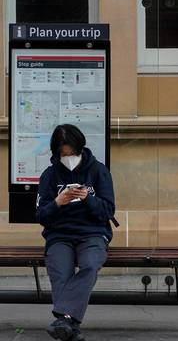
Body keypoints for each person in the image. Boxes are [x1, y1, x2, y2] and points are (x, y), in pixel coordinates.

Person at [36, 124, 115, 341]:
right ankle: (70, 327)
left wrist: (87, 198)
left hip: (92, 233)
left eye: (72, 153)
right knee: (60, 271)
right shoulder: (50, 175)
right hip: (59, 235)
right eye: (63, 154)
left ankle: (64, 322)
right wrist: (57, 202)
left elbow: (108, 210)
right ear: (56, 153)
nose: (68, 158)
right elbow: (41, 215)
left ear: (81, 149)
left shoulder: (98, 171)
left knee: (90, 264)